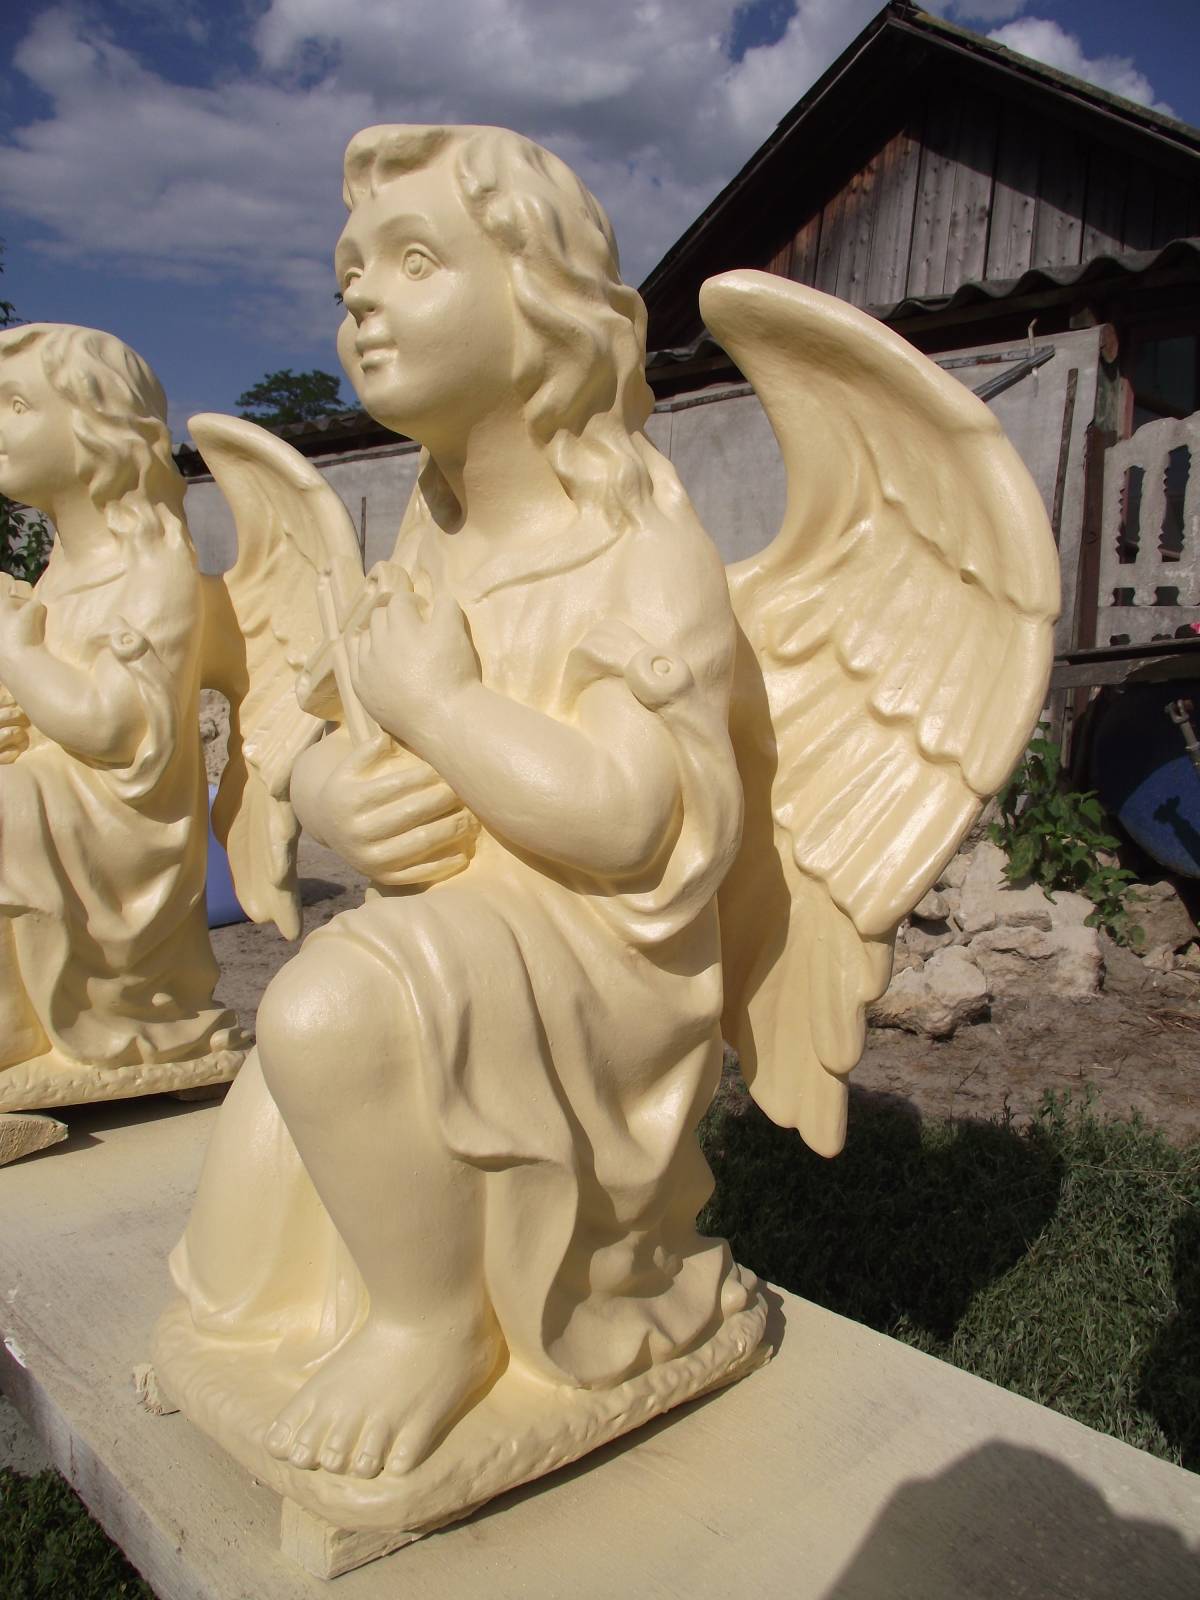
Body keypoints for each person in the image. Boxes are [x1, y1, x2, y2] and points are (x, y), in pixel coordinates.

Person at [167, 124, 758, 1486]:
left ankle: (435, 1325)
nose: (360, 303)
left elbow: (627, 820)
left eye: (415, 261)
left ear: (544, 303)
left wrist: (440, 710)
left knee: (327, 1009)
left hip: (597, 973)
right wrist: (333, 792)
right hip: (452, 937)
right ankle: (388, 1288)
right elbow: (328, 736)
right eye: (348, 277)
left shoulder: (640, 548)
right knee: (261, 1185)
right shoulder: (425, 543)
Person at [0, 324, 237, 1096]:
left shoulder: (155, 568)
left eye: (16, 405)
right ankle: (16, 1004)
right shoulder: (58, 572)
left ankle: (27, 1019)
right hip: (60, 810)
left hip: (126, 838)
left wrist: (16, 656)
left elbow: (113, 728)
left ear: (94, 426)